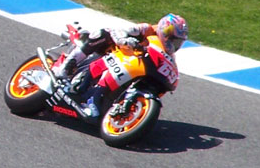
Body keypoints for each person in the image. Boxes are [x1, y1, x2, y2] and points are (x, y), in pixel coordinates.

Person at [54, 13, 188, 117]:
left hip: (133, 64)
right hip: (113, 51)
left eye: (177, 42)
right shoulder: (146, 29)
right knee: (103, 33)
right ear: (164, 30)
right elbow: (119, 31)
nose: (172, 43)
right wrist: (124, 40)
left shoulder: (168, 54)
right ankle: (65, 68)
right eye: (171, 38)